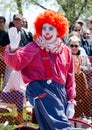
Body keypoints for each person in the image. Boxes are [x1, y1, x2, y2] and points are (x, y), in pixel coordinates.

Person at [4, 10, 76, 130]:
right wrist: (13, 48)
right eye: (44, 28)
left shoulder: (66, 51)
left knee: (48, 126)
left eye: (51, 28)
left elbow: (70, 77)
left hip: (60, 92)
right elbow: (16, 64)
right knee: (60, 126)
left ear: (59, 29)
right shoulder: (33, 47)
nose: (47, 32)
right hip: (39, 89)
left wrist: (71, 101)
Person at [0, 16, 9, 81]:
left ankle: (3, 90)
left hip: (4, 58)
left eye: (1, 22)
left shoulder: (7, 33)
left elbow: (8, 46)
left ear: (4, 23)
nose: (0, 24)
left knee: (5, 76)